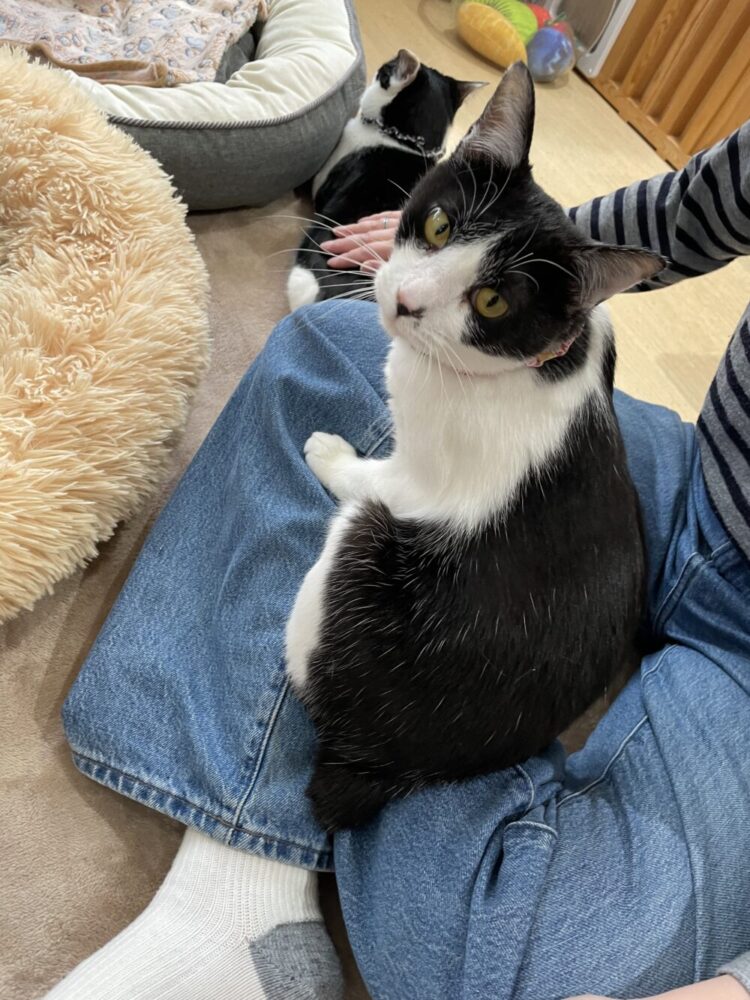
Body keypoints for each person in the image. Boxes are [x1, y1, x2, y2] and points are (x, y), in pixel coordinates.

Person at [47, 124, 750, 1000]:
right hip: (700, 474)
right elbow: (697, 206)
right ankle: (238, 891)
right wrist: (510, 245)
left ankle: (251, 873)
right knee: (326, 349)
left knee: (500, 964)